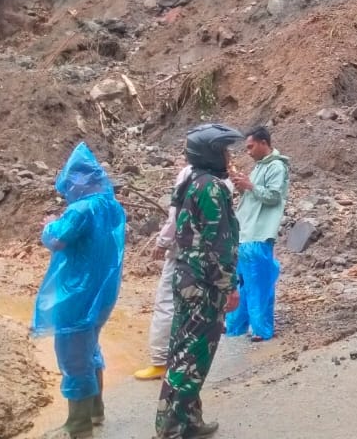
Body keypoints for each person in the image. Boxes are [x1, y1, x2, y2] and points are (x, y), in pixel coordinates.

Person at [154, 123, 243, 439]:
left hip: (188, 278)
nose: (229, 157)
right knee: (193, 356)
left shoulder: (191, 182)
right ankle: (171, 429)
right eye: (224, 151)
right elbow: (219, 244)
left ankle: (189, 420)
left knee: (183, 351)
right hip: (204, 285)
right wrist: (229, 287)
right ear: (210, 153)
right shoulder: (212, 188)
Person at [32, 142, 126, 439]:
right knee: (89, 347)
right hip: (102, 292)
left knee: (73, 353)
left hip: (77, 293)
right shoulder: (112, 205)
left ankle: (79, 424)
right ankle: (96, 410)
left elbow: (57, 240)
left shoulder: (80, 210)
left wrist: (49, 225)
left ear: (78, 181)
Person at [224, 125, 290, 343]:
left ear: (264, 143)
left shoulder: (276, 167)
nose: (249, 152)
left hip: (259, 233)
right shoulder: (259, 167)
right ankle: (235, 326)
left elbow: (274, 196)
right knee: (242, 282)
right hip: (245, 233)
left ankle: (261, 330)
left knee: (259, 284)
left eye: (251, 147)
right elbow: (254, 195)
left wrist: (250, 186)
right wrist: (242, 185)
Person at [135, 163, 195, 381]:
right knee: (194, 306)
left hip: (181, 251)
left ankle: (160, 361)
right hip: (204, 254)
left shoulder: (189, 173)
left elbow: (176, 214)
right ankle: (187, 359)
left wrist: (162, 242)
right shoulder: (223, 177)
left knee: (166, 304)